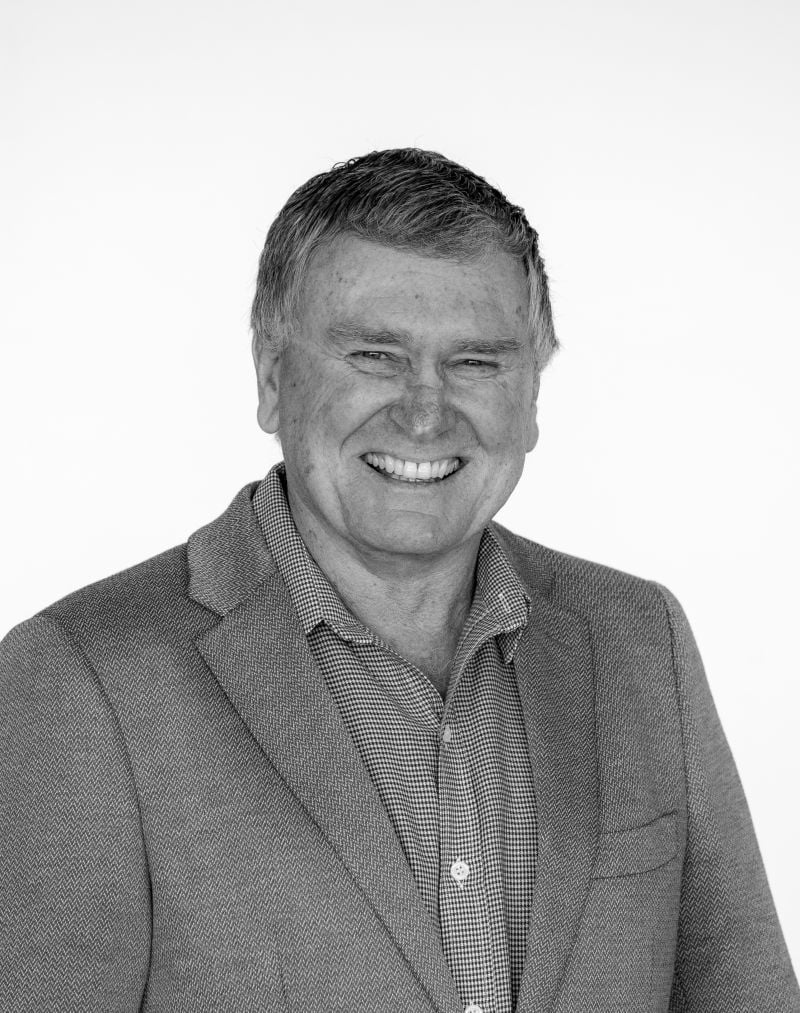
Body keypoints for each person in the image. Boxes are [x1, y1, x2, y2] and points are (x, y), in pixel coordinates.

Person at [0, 148, 797, 1013]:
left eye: (476, 362)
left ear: (532, 396)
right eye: (375, 355)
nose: (424, 412)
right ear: (271, 378)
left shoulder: (639, 637)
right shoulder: (82, 680)